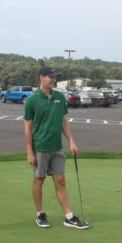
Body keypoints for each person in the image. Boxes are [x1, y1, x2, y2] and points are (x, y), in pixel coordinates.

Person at [24, 66, 89, 229]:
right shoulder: (32, 100)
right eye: (50, 77)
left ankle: (68, 216)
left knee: (60, 181)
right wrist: (29, 151)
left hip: (56, 147)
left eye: (55, 77)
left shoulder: (59, 96)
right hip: (40, 146)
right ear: (41, 77)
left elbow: (63, 121)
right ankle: (40, 214)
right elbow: (27, 127)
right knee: (39, 180)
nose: (53, 80)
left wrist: (72, 141)